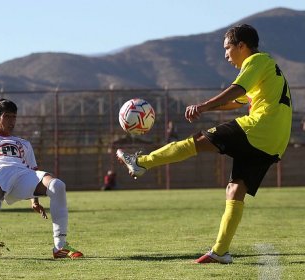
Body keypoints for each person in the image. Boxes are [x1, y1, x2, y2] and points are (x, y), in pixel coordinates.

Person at [117, 24, 292, 264]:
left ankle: (141, 163)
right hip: (274, 140)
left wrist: (204, 106)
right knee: (235, 189)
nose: (226, 54)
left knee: (197, 141)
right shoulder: (267, 66)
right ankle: (220, 252)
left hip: (260, 127)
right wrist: (204, 106)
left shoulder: (256, 61)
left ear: (242, 46)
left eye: (227, 48)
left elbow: (235, 91)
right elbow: (237, 101)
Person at [0, 98, 83, 260]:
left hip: (22, 175)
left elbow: (32, 170)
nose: (12, 121)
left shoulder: (24, 143)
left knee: (57, 185)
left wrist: (34, 201)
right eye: (8, 116)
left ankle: (60, 246)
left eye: (14, 117)